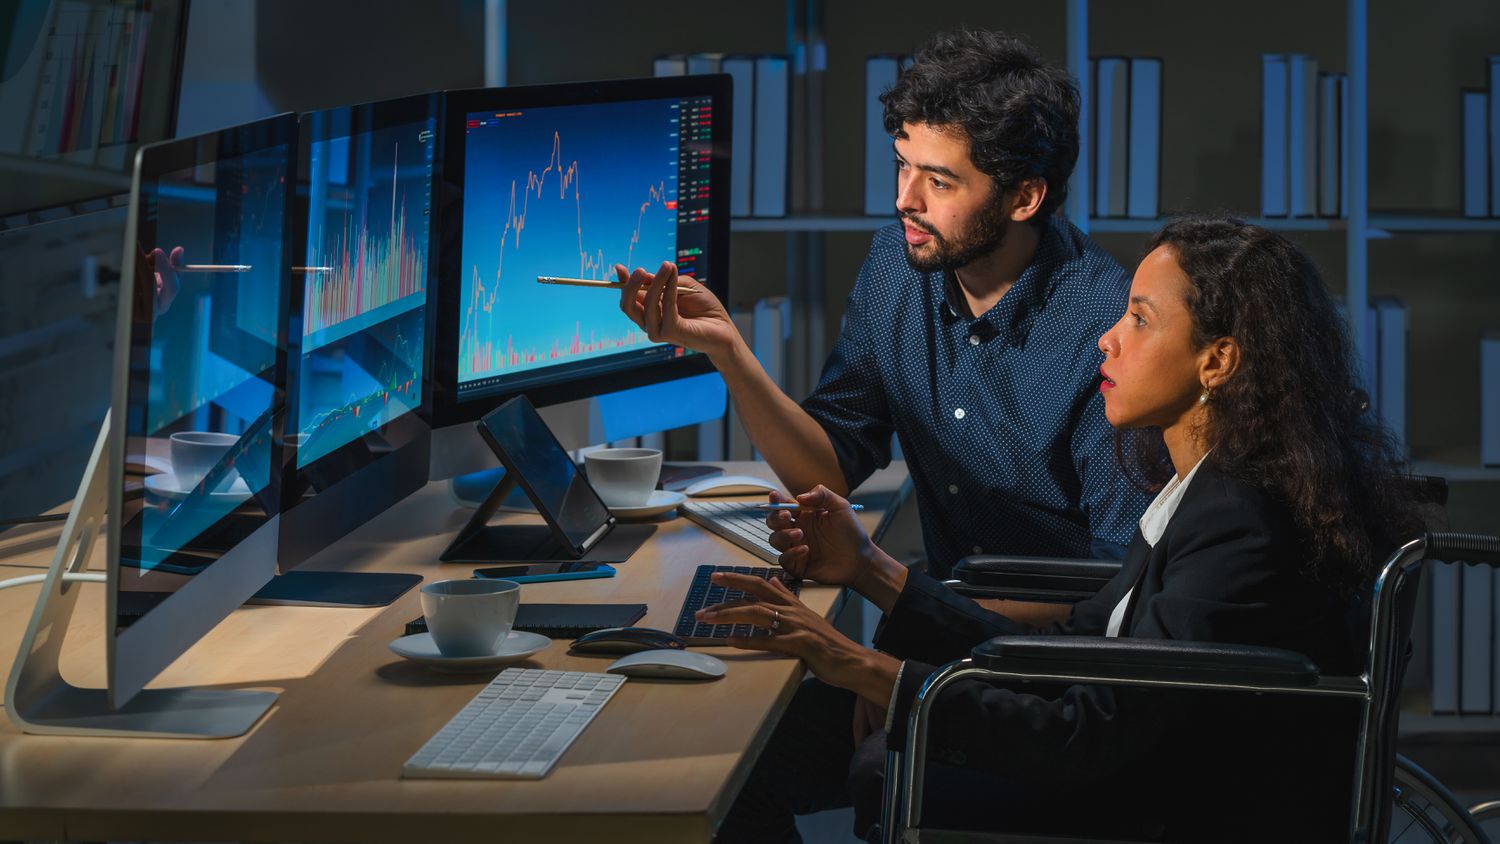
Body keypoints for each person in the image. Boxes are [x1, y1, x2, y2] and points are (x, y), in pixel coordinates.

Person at [701, 216, 1423, 842]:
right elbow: (1084, 646)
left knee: (748, 750)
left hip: (1159, 808)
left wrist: (872, 670)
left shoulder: (1240, 518)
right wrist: (877, 577)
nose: (1107, 340)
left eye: (1139, 319)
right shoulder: (1210, 486)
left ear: (1218, 360)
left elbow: (1090, 733)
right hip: (1132, 766)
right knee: (765, 740)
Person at [617, 29, 1151, 572]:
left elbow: (1117, 590)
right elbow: (830, 466)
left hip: (1042, 648)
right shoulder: (897, 263)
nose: (904, 200)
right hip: (942, 619)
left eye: (939, 183)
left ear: (1023, 198)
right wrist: (729, 352)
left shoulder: (1108, 325)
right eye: (902, 164)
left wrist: (892, 587)